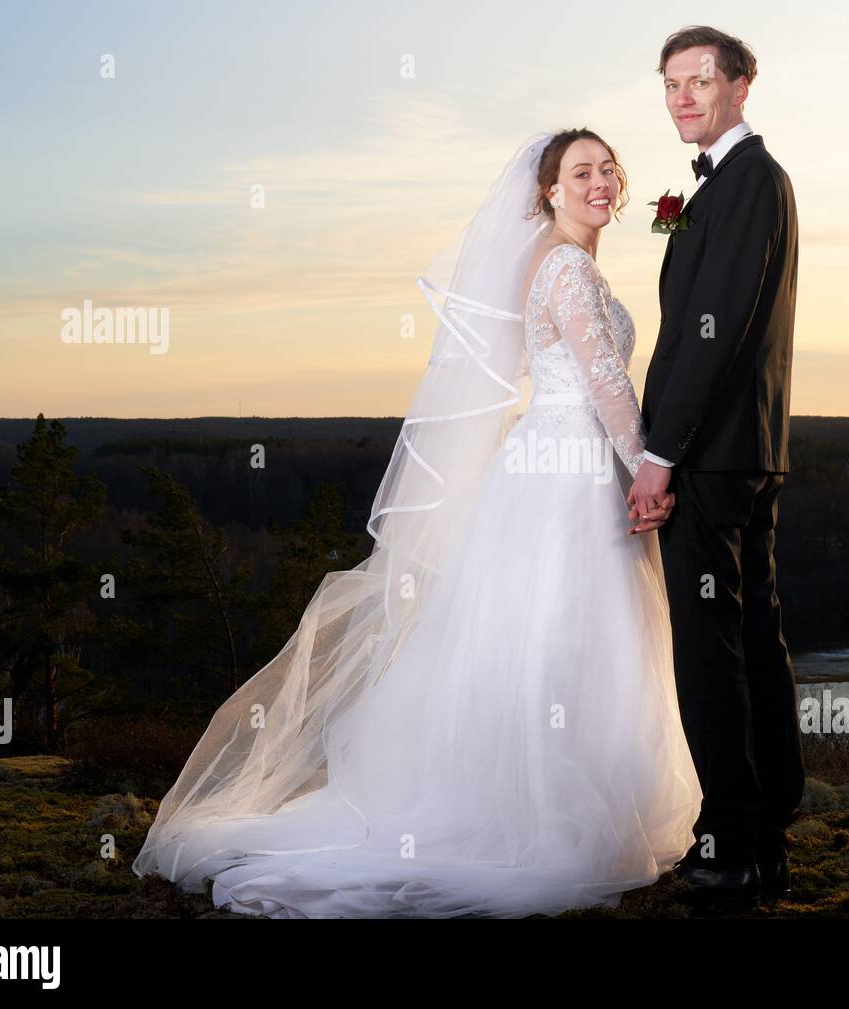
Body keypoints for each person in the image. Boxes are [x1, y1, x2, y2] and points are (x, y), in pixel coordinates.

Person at [131, 129, 704, 918]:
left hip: (549, 460)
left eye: (608, 170)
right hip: (571, 469)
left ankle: (561, 801)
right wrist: (648, 472)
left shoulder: (555, 259)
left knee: (550, 637)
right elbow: (606, 384)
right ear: (547, 191)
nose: (600, 182)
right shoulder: (567, 266)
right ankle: (545, 819)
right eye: (582, 172)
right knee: (565, 634)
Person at [629, 25, 806, 906]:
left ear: (742, 84)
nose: (683, 97)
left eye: (700, 80)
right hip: (746, 452)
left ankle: (732, 842)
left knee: (710, 652)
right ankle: (766, 836)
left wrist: (660, 455)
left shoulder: (748, 183)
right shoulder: (721, 187)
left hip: (709, 456)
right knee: (752, 639)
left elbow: (715, 336)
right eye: (670, 85)